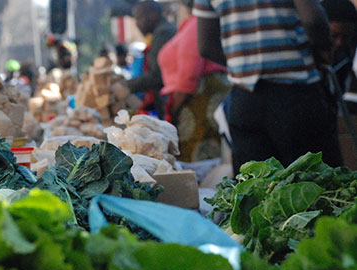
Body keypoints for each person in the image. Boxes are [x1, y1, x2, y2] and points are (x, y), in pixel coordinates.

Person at [195, 0, 343, 173]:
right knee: (314, 182)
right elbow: (313, 20)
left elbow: (205, 46)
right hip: (296, 96)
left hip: (245, 100)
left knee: (255, 187)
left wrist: (242, 63)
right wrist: (325, 51)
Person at [157, 0, 230, 162]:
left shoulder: (195, 26)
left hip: (197, 102)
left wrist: (174, 110)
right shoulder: (190, 25)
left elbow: (188, 76)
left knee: (198, 164)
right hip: (198, 99)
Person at [126, 0, 177, 116]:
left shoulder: (163, 34)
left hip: (173, 101)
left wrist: (126, 86)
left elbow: (156, 75)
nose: (137, 24)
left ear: (153, 15)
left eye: (139, 18)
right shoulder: (162, 32)